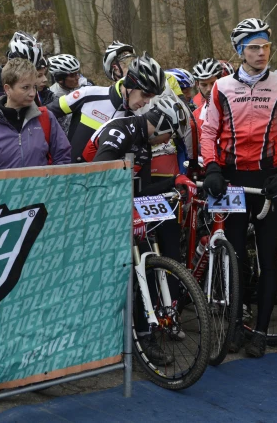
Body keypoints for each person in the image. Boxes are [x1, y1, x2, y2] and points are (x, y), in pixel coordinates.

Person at [201, 18, 277, 358]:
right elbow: (208, 132)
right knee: (232, 257)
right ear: (239, 51)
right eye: (254, 47)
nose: (262, 53)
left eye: (265, 46)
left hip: (268, 182)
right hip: (232, 180)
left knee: (267, 258)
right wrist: (212, 167)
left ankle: (260, 331)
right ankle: (233, 326)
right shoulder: (220, 88)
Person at [85, 95, 188, 363]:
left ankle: (144, 336)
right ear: (162, 124)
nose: (168, 143)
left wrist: (173, 184)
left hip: (114, 203)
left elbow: (139, 193)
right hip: (85, 201)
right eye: (169, 136)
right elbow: (99, 171)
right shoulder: (122, 128)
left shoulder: (143, 144)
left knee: (144, 264)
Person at [48, 53, 163, 162]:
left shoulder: (136, 119)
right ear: (130, 84)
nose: (147, 102)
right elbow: (44, 115)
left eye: (151, 97)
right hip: (68, 175)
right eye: (145, 94)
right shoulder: (88, 94)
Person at [0, 58, 71, 171]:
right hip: (0, 188)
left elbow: (63, 158)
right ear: (7, 89)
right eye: (25, 87)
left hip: (43, 188)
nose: (32, 93)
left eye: (34, 87)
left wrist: (53, 185)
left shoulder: (46, 118)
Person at [191, 58, 224, 134]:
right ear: (197, 85)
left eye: (213, 83)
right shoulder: (196, 115)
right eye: (204, 85)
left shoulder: (235, 107)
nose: (209, 89)